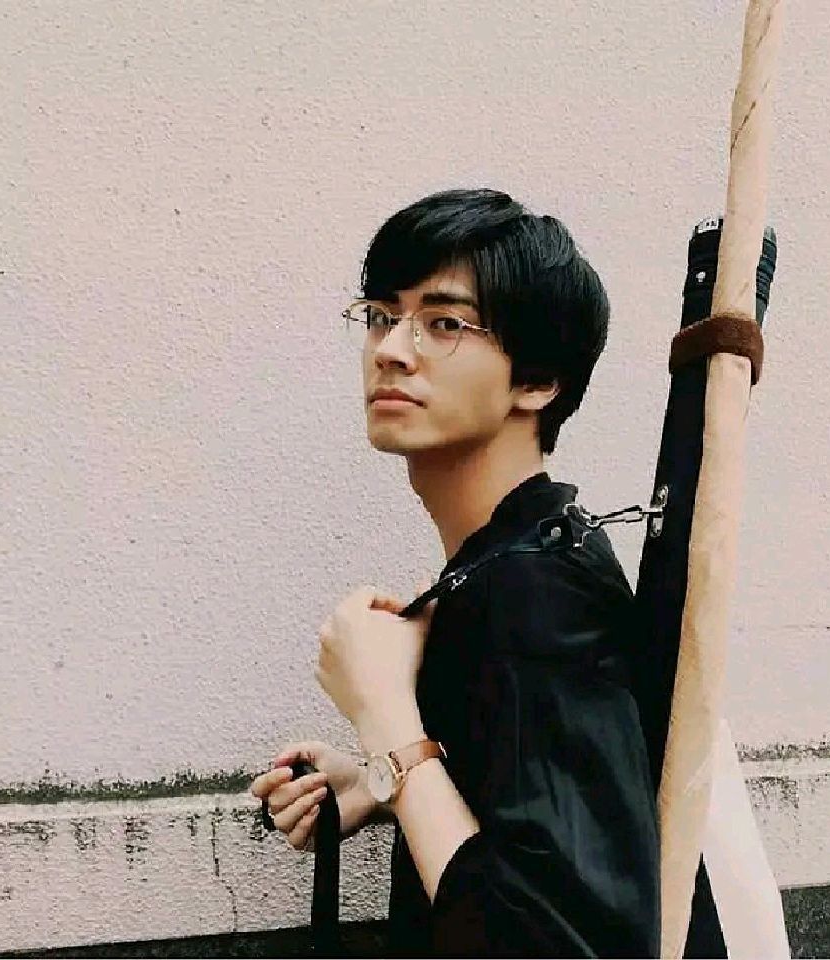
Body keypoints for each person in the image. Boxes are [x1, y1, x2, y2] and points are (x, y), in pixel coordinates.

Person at [250, 188, 660, 957]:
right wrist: (372, 783)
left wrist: (388, 723)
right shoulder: (506, 565)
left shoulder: (538, 594)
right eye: (381, 315)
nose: (390, 349)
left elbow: (544, 945)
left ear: (538, 378)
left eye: (443, 323)